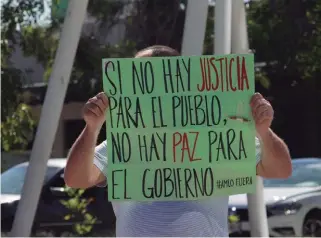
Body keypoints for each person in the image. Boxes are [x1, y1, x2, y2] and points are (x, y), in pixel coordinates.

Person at [64, 45, 292, 237]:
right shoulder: (123, 143)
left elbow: (280, 169)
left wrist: (263, 131)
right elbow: (76, 179)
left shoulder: (218, 136)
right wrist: (92, 128)